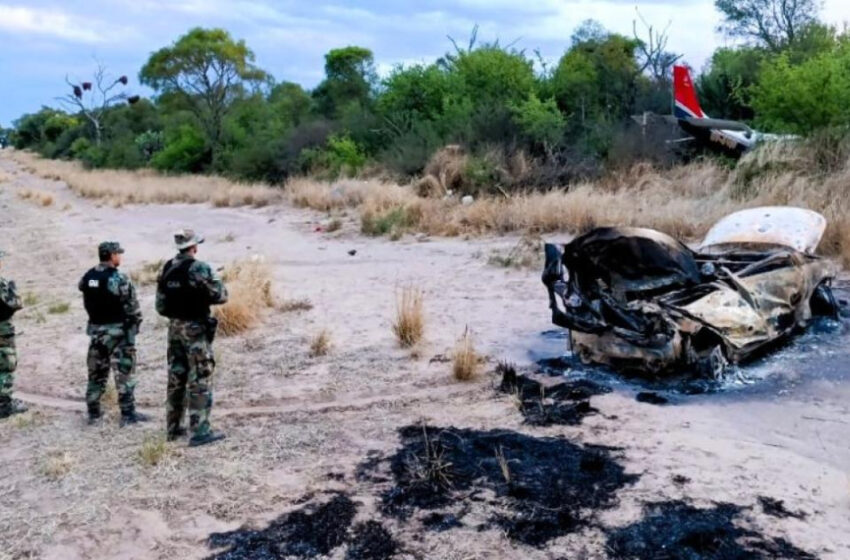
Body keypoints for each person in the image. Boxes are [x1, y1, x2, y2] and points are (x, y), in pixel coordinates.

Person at [156, 229, 228, 447]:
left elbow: (160, 306)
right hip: (195, 330)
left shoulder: (167, 268)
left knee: (176, 377)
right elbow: (221, 296)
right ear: (194, 247)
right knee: (200, 377)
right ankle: (200, 430)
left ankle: (173, 427)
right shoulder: (200, 268)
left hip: (174, 330)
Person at [78, 241, 147, 426]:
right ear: (111, 255)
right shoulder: (119, 278)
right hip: (119, 333)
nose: (120, 257)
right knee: (124, 373)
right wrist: (134, 327)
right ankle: (128, 414)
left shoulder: (89, 276)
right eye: (118, 253)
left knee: (96, 373)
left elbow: (84, 288)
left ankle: (93, 413)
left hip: (96, 333)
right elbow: (133, 308)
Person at [0, 249, 25, 419]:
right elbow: (15, 304)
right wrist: (13, 290)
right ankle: (4, 405)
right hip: (2, 330)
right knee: (6, 365)